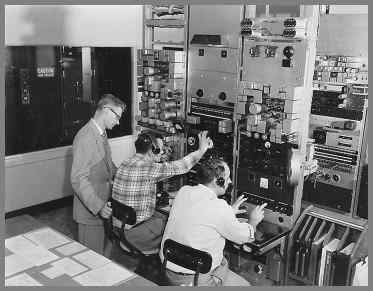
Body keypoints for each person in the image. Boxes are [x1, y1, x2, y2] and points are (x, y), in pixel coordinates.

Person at [159, 157, 267, 286]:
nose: (230, 181)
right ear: (218, 181)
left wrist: (229, 212)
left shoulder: (184, 191)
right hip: (196, 279)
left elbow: (200, 214)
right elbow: (244, 238)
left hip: (168, 269)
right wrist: (253, 221)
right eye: (227, 178)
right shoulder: (219, 207)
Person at [111, 130, 213, 252]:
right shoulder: (148, 167)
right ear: (152, 150)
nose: (162, 152)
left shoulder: (125, 163)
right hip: (135, 234)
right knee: (179, 224)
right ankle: (176, 262)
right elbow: (182, 166)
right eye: (160, 149)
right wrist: (202, 150)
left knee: (163, 216)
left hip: (119, 229)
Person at [70, 93, 126, 255]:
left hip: (103, 205)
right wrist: (98, 206)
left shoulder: (101, 133)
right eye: (117, 116)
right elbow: (78, 179)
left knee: (104, 256)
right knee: (91, 262)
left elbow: (108, 165)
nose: (118, 121)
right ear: (106, 110)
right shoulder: (86, 137)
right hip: (91, 211)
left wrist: (127, 173)